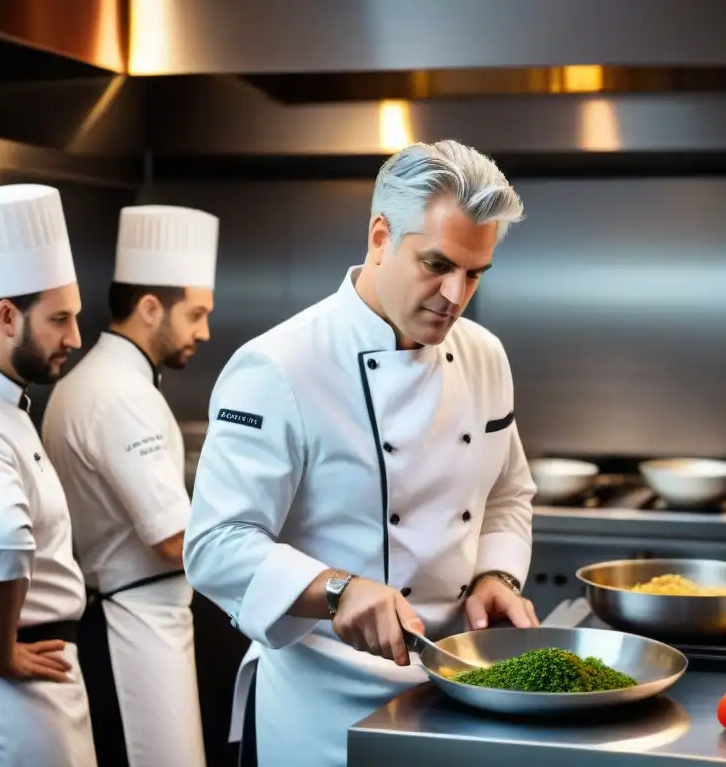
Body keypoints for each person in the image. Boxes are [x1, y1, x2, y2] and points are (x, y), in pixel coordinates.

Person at [184, 140, 538, 767]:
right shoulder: (281, 365)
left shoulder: (486, 355)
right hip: (325, 710)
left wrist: (495, 576)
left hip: (456, 692)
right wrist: (336, 590)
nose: (456, 294)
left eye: (476, 272)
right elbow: (216, 543)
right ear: (380, 235)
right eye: (437, 263)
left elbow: (508, 492)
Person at [40, 205, 219, 767]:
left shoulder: (99, 380)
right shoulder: (121, 393)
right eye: (195, 314)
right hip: (133, 628)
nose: (204, 332)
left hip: (138, 616)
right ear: (149, 308)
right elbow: (171, 538)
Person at [0, 183, 97, 766]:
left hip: (42, 667)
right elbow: (4, 538)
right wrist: (1, 651)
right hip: (23, 675)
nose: (76, 338)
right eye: (60, 319)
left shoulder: (13, 408)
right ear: (7, 316)